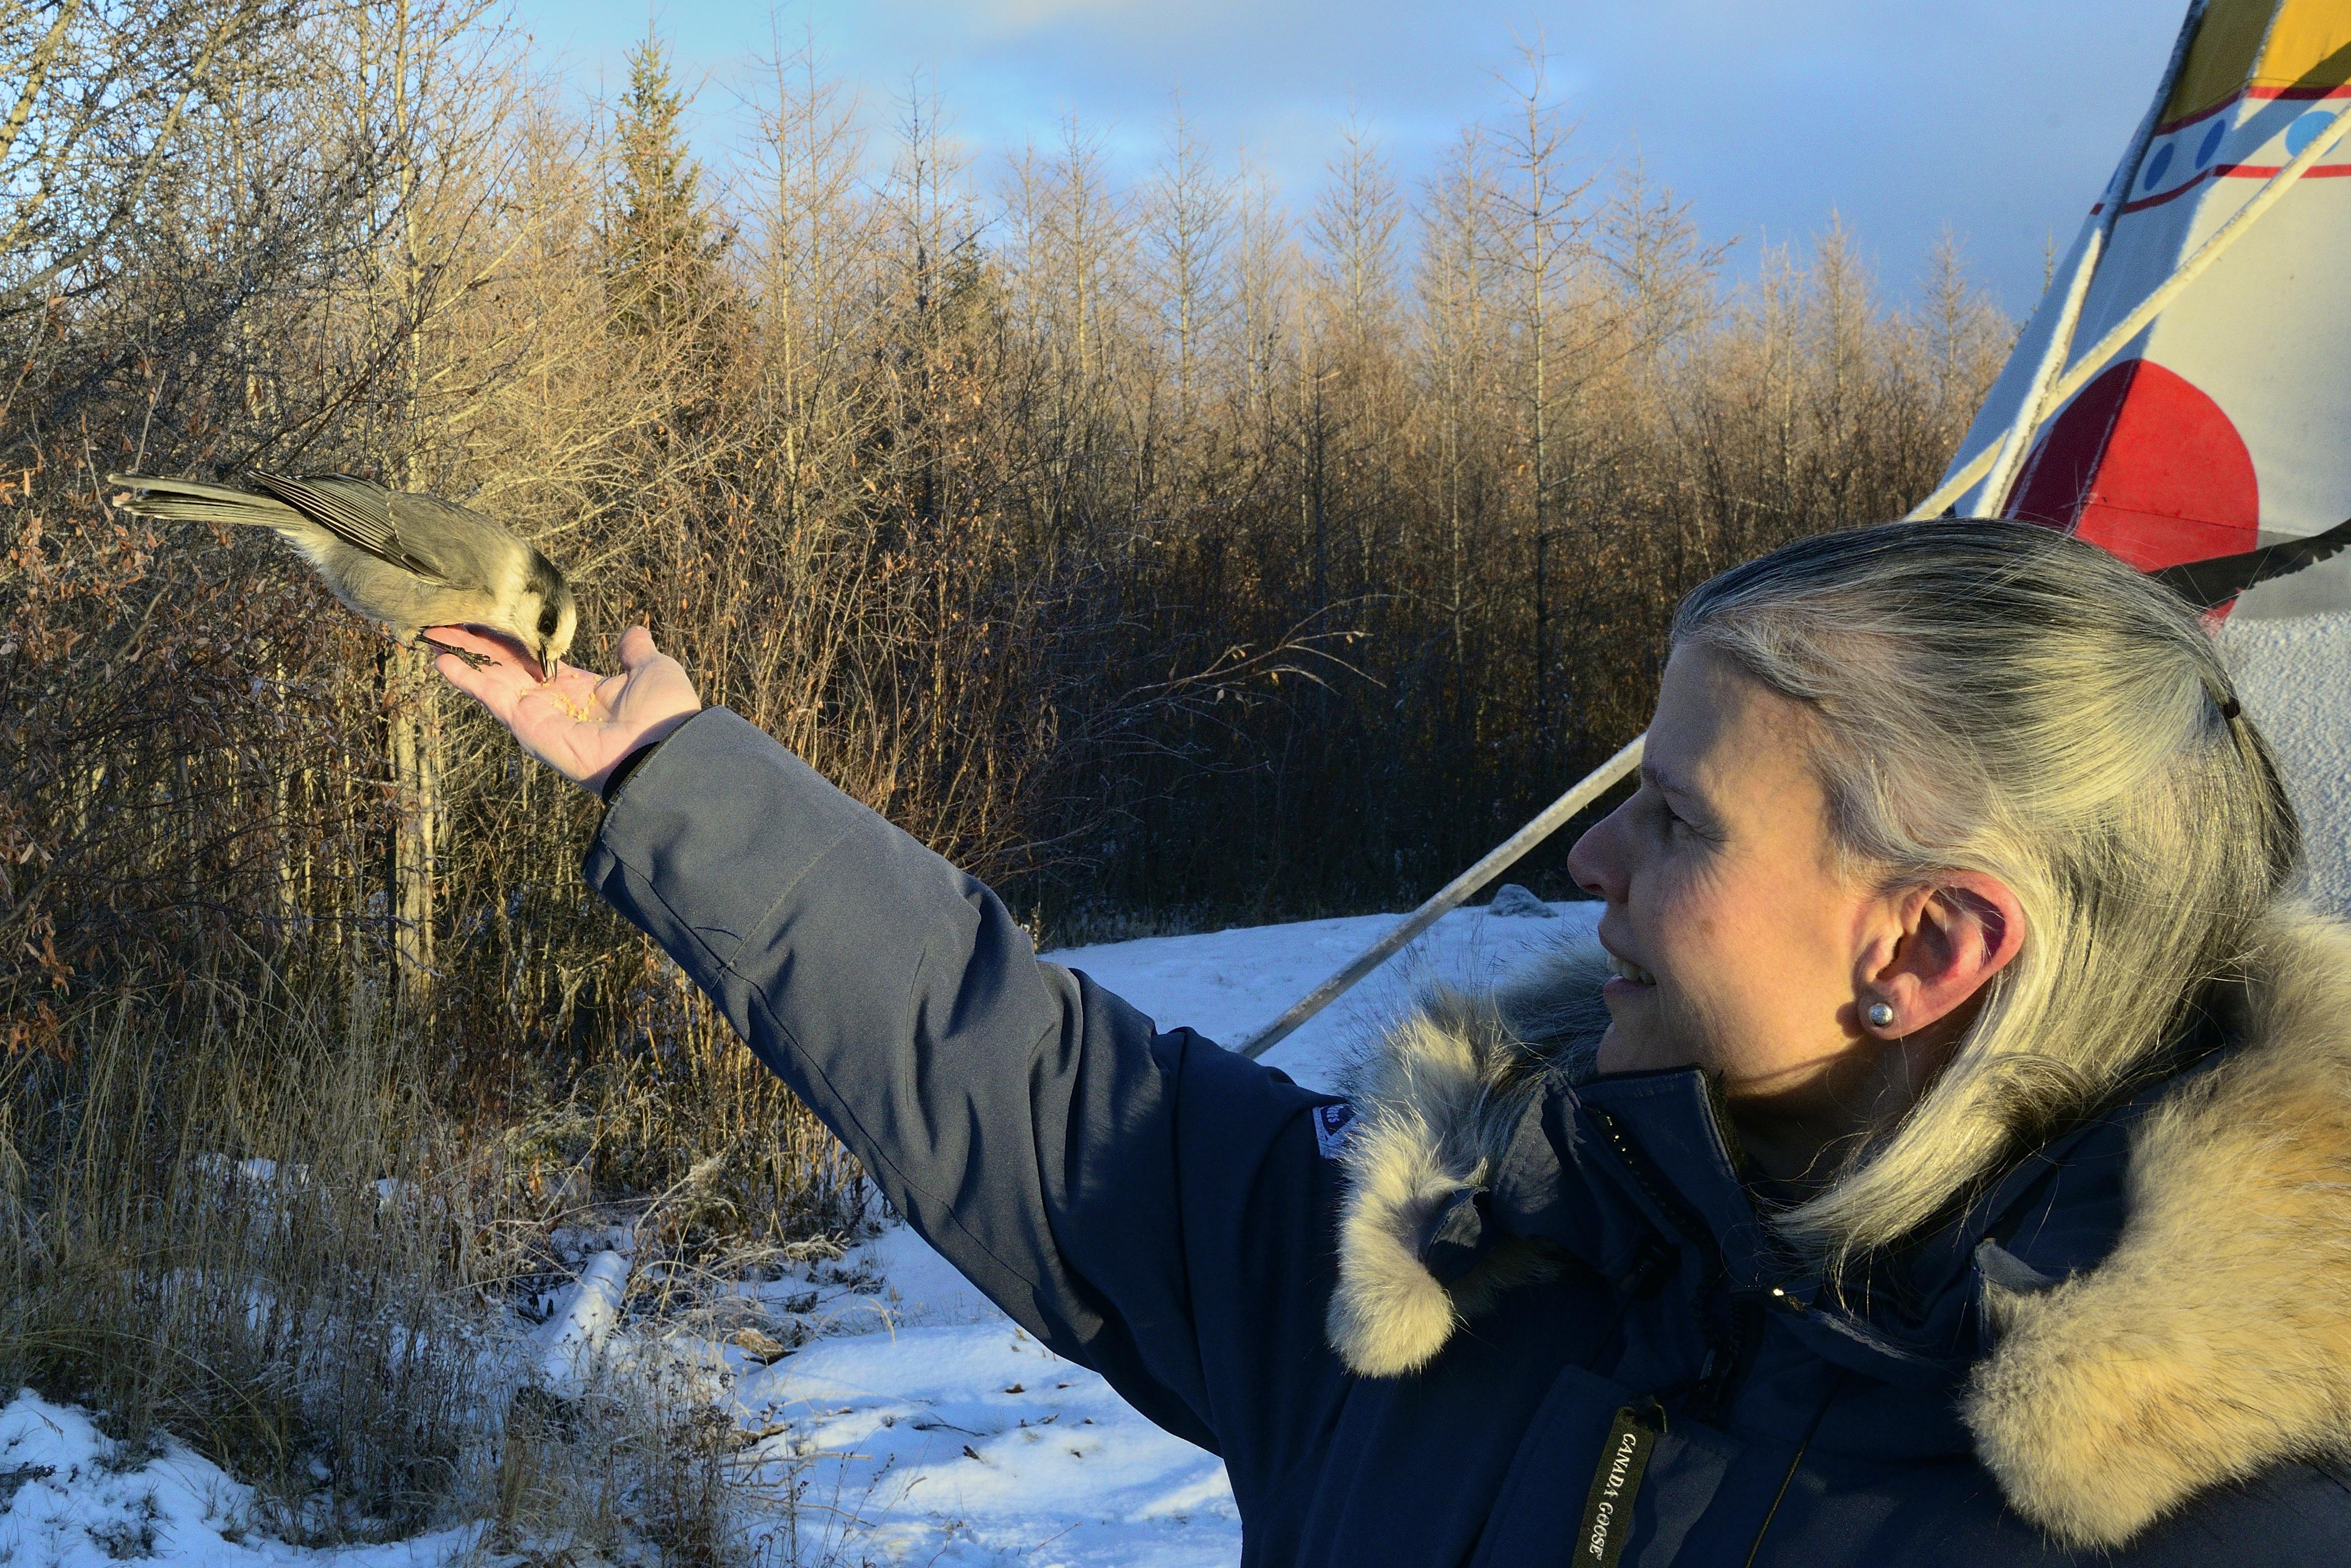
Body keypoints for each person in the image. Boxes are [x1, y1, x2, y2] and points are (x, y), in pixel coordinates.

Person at [434, 519, 2351, 1565]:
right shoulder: (1464, 1263)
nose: (1594, 855)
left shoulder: (2212, 1521)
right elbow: (1037, 1092)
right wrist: (670, 772)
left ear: (1923, 945)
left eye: (1679, 817)